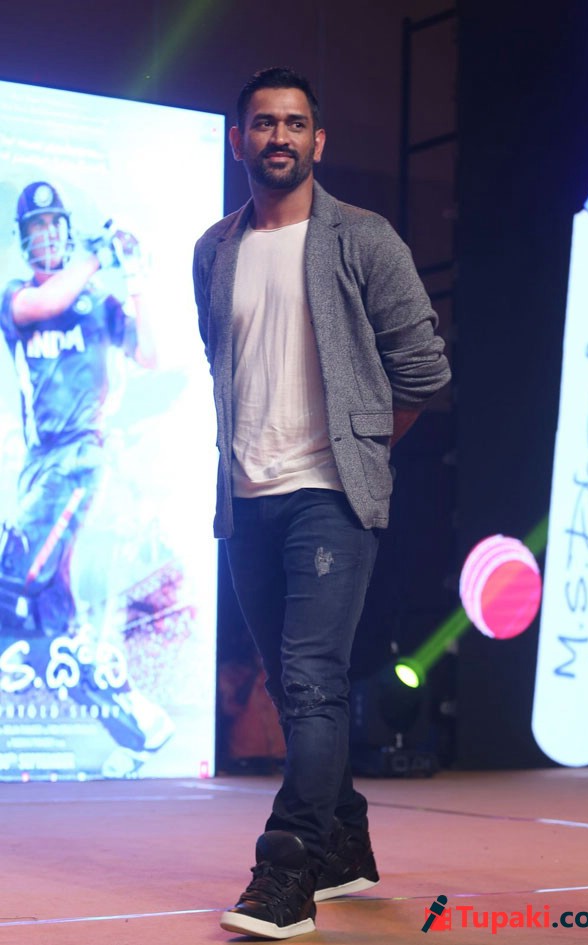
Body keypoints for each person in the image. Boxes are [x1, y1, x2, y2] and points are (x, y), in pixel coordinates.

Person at [193, 67, 451, 939]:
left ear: (319, 140)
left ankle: (288, 869)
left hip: (330, 497)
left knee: (310, 682)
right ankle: (345, 845)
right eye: (264, 123)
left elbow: (424, 371)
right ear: (239, 140)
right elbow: (219, 358)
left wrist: (359, 448)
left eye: (296, 123)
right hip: (246, 497)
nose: (280, 137)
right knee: (290, 683)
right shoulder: (214, 250)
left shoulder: (364, 239)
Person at [0, 180, 174, 778]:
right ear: (24, 239)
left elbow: (148, 354)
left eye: (54, 225)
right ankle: (140, 727)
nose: (46, 236)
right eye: (36, 228)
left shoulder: (97, 300)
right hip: (38, 468)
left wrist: (137, 278)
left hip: (78, 460)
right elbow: (46, 304)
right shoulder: (18, 298)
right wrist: (98, 255)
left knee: (12, 581)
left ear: (66, 231)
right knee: (52, 628)